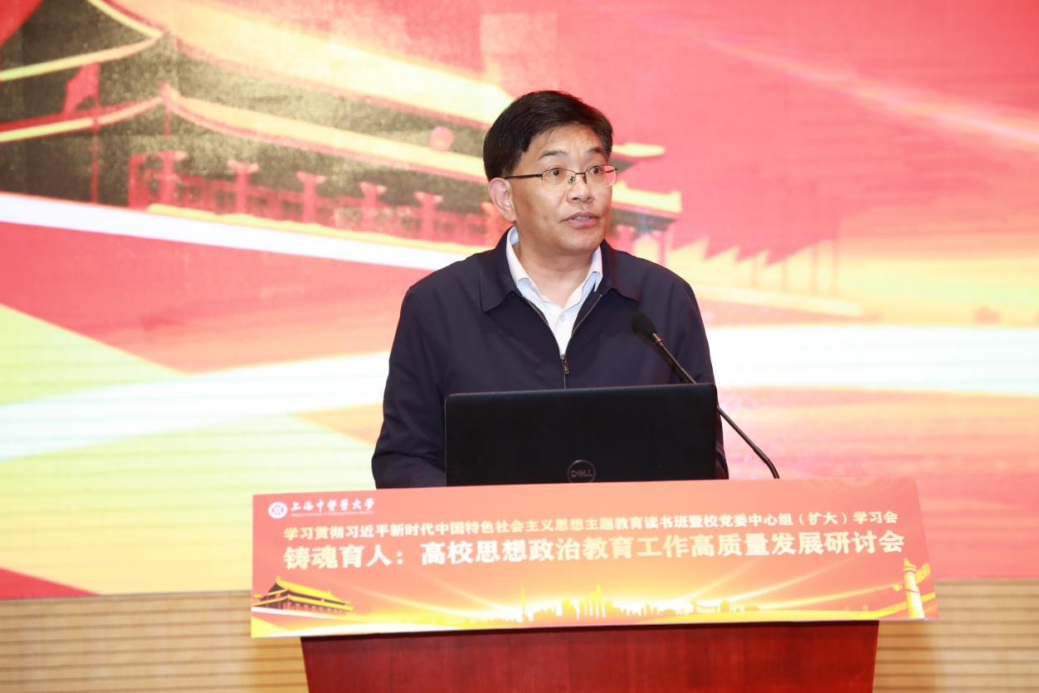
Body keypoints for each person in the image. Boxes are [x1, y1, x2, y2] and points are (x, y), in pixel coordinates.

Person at [372, 90, 725, 487]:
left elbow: (703, 461)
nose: (583, 191)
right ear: (505, 198)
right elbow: (404, 462)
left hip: (628, 528)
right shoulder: (437, 305)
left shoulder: (663, 298)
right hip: (490, 528)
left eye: (595, 170)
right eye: (555, 173)